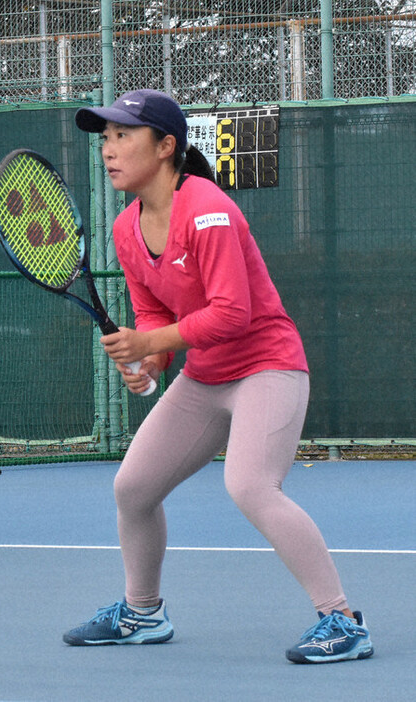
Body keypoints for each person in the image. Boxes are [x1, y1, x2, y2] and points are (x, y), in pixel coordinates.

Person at [63, 89, 372, 664]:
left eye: (122, 135)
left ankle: (343, 620)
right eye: (104, 138)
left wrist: (150, 342)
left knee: (250, 485)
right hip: (206, 375)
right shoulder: (126, 229)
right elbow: (155, 312)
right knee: (133, 489)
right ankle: (143, 612)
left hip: (268, 365)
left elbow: (233, 313)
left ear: (165, 147)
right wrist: (154, 358)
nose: (108, 149)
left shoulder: (207, 208)